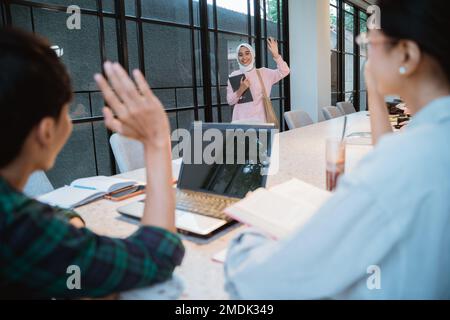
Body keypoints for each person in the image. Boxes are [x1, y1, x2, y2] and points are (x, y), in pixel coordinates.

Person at [224, 0, 450, 299]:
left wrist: (248, 234)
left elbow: (266, 280)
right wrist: (374, 85)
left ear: (406, 53)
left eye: (371, 40)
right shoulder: (430, 140)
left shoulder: (395, 169)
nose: (366, 50)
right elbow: (389, 152)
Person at [0, 28, 184, 299]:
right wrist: (157, 142)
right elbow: (157, 255)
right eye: (68, 108)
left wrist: (68, 220)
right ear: (46, 131)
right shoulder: (19, 229)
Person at [226, 38, 290, 124]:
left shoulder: (263, 73)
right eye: (240, 55)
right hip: (240, 122)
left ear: (253, 55)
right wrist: (241, 89)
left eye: (247, 53)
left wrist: (276, 55)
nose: (244, 57)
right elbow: (230, 101)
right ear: (237, 57)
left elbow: (285, 71)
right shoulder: (234, 75)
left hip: (261, 121)